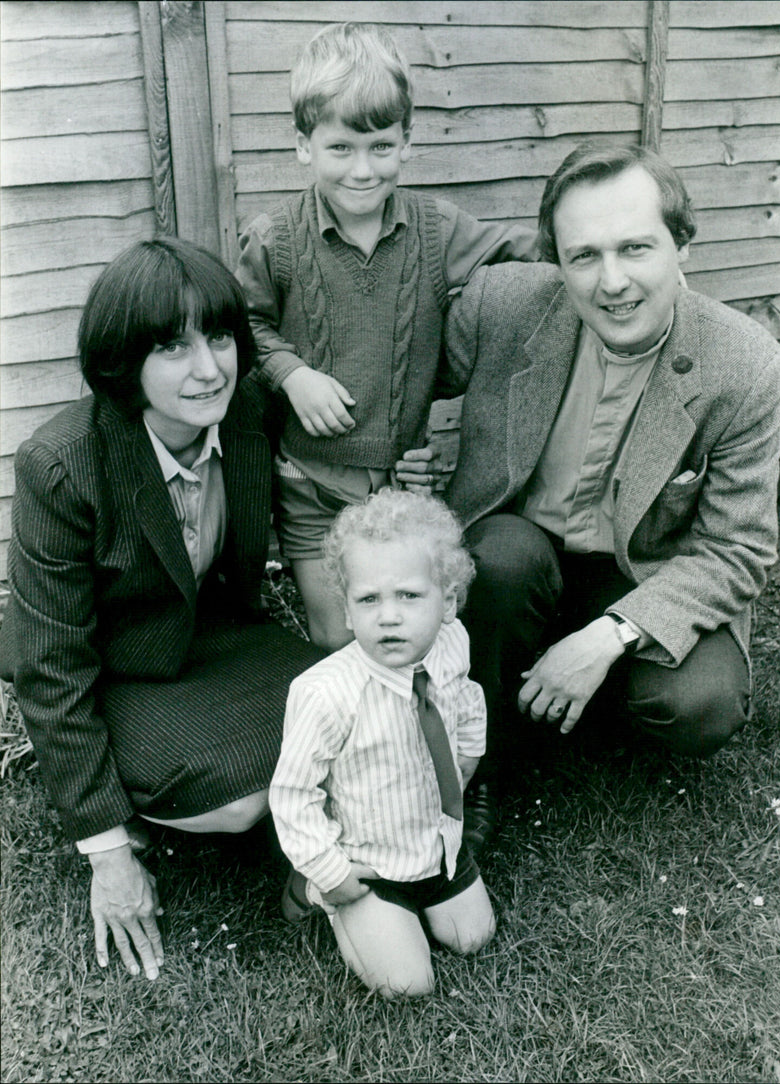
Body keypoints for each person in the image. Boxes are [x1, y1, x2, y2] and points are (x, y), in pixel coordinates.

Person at [419, 143, 780, 844]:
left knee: (700, 704)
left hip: (640, 572)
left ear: (682, 244)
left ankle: (568, 689)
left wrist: (609, 638)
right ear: (556, 259)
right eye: (583, 255)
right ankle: (484, 765)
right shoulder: (504, 304)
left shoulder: (745, 366)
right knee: (501, 556)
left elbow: (737, 549)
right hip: (522, 555)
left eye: (636, 248)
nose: (611, 281)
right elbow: (402, 381)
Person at [0, 238, 323, 982]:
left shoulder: (248, 414)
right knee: (240, 799)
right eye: (173, 346)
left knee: (355, 707)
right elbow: (49, 665)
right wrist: (106, 850)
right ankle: (139, 807)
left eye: (217, 338)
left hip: (217, 637)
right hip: (114, 663)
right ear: (123, 359)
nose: (208, 368)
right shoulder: (60, 464)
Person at [235, 21, 537, 651]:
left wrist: (612, 248)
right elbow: (240, 328)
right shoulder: (275, 239)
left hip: (403, 485)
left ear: (406, 143)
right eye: (341, 148)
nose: (362, 170)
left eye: (380, 146)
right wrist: (293, 373)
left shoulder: (437, 228)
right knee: (339, 641)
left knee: (407, 635)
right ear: (304, 146)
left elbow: (524, 251)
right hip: (310, 484)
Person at [269, 489, 495, 997]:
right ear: (347, 612)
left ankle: (432, 893)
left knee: (474, 937)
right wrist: (332, 872)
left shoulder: (451, 643)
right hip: (368, 863)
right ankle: (311, 890)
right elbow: (292, 795)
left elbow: (465, 694)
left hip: (437, 846)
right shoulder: (326, 694)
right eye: (368, 599)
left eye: (409, 596)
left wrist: (470, 750)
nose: (388, 616)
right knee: (406, 985)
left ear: (449, 603)